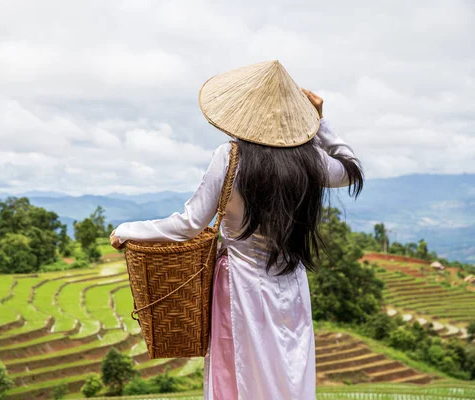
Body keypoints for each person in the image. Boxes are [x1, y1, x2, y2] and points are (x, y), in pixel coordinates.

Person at [110, 61, 364, 400]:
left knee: (239, 370)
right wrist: (321, 124)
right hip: (291, 286)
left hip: (240, 285)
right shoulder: (309, 161)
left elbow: (188, 224)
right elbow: (351, 169)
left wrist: (128, 229)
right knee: (288, 370)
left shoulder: (231, 157)